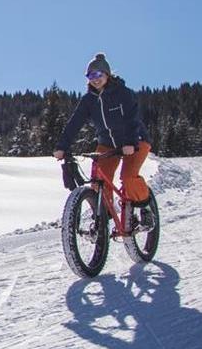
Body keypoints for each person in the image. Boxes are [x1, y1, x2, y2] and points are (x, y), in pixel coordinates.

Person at [53, 53, 155, 230]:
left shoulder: (123, 94)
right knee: (98, 181)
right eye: (91, 76)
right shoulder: (88, 100)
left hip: (135, 141)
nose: (95, 79)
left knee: (128, 177)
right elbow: (74, 123)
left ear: (107, 74)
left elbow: (132, 118)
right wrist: (62, 146)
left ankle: (145, 208)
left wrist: (130, 142)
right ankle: (104, 216)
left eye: (99, 74)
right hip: (107, 143)